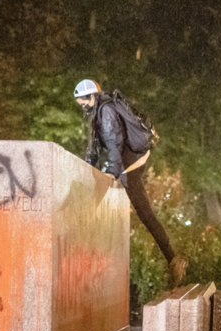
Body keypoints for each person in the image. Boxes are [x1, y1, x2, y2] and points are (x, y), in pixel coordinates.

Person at [74, 79, 187, 287]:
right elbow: (94, 149)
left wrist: (112, 172)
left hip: (131, 162)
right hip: (129, 161)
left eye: (82, 101)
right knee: (142, 212)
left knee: (143, 212)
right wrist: (85, 167)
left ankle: (173, 259)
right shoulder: (98, 112)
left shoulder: (105, 111)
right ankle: (172, 259)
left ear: (92, 97)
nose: (81, 105)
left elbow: (114, 142)